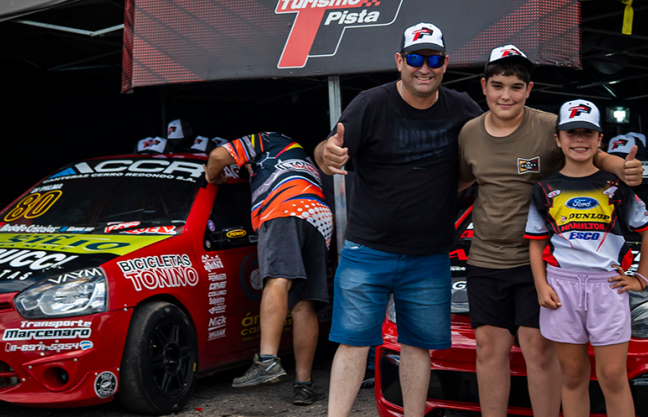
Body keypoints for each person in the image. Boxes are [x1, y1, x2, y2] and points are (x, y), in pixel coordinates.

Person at [457, 46, 643, 417]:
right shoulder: (469, 132)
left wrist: (619, 166)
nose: (506, 95)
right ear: (483, 86)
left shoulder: (549, 126)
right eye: (498, 86)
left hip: (540, 262)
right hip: (485, 258)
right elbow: (459, 182)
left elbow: (589, 152)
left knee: (539, 351)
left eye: (516, 87)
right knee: (488, 350)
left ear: (529, 89)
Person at [314, 22, 483, 417]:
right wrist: (327, 154)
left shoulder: (461, 107)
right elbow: (328, 147)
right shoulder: (370, 104)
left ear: (445, 63)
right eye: (415, 58)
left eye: (433, 60)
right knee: (353, 343)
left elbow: (493, 143)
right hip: (367, 250)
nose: (424, 68)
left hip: (429, 255)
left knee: (418, 346)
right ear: (399, 61)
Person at [525, 99, 648, 417]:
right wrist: (541, 285)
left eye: (587, 133)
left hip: (607, 287)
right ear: (558, 139)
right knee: (573, 377)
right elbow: (536, 243)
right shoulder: (543, 188)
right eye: (571, 132)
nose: (579, 139)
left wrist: (641, 279)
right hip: (561, 288)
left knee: (612, 377)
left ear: (600, 139)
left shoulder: (616, 186)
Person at [205, 132, 332, 405]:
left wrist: (214, 176)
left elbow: (217, 156)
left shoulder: (269, 139)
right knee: (304, 303)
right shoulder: (299, 159)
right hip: (319, 219)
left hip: (284, 207)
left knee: (278, 278)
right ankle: (304, 385)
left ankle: (267, 360)